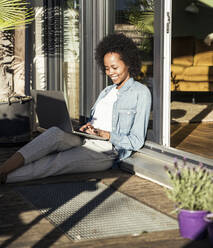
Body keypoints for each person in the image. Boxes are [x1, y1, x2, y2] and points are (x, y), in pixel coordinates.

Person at [0, 33, 151, 184]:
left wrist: (107, 134)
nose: (110, 72)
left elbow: (136, 140)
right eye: (106, 68)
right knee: (54, 134)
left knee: (57, 161)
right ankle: (3, 169)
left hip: (106, 150)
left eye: (114, 67)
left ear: (129, 63)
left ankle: (6, 178)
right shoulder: (107, 91)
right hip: (86, 138)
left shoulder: (141, 93)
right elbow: (97, 119)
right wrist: (88, 126)